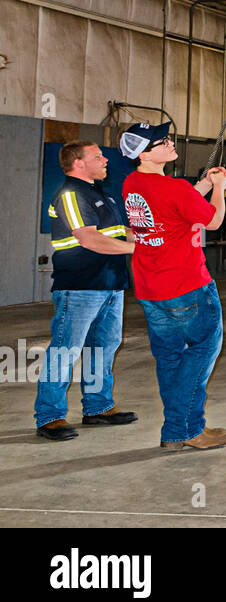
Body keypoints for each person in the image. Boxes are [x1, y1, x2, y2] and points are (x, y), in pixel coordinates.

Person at [119, 122, 226, 452]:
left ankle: (180, 430)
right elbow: (212, 220)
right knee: (201, 354)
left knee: (169, 359)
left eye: (167, 138)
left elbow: (172, 206)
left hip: (152, 290)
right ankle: (185, 429)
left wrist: (202, 184)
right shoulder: (175, 189)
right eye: (161, 142)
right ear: (144, 154)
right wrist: (220, 187)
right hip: (189, 287)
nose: (169, 144)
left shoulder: (132, 184)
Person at [35, 141, 138, 441]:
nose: (105, 159)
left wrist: (151, 238)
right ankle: (50, 416)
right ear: (78, 163)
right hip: (81, 286)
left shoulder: (101, 194)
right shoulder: (70, 195)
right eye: (97, 156)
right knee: (66, 349)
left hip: (111, 284)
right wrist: (140, 251)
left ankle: (98, 407)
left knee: (104, 347)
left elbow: (117, 233)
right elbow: (89, 240)